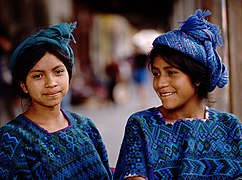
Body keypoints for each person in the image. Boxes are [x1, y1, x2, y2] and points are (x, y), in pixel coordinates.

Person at [114, 9, 242, 179]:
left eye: (171, 73)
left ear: (197, 77)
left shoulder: (229, 126)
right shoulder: (142, 125)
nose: (160, 84)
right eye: (156, 73)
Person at [0, 22, 112, 179]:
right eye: (38, 75)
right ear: (23, 85)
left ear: (68, 74)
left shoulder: (86, 126)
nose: (51, 83)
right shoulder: (12, 140)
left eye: (58, 72)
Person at [0, 26, 16, 125]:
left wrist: (18, 93)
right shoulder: (1, 54)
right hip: (2, 90)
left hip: (14, 91)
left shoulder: (15, 52)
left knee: (16, 115)